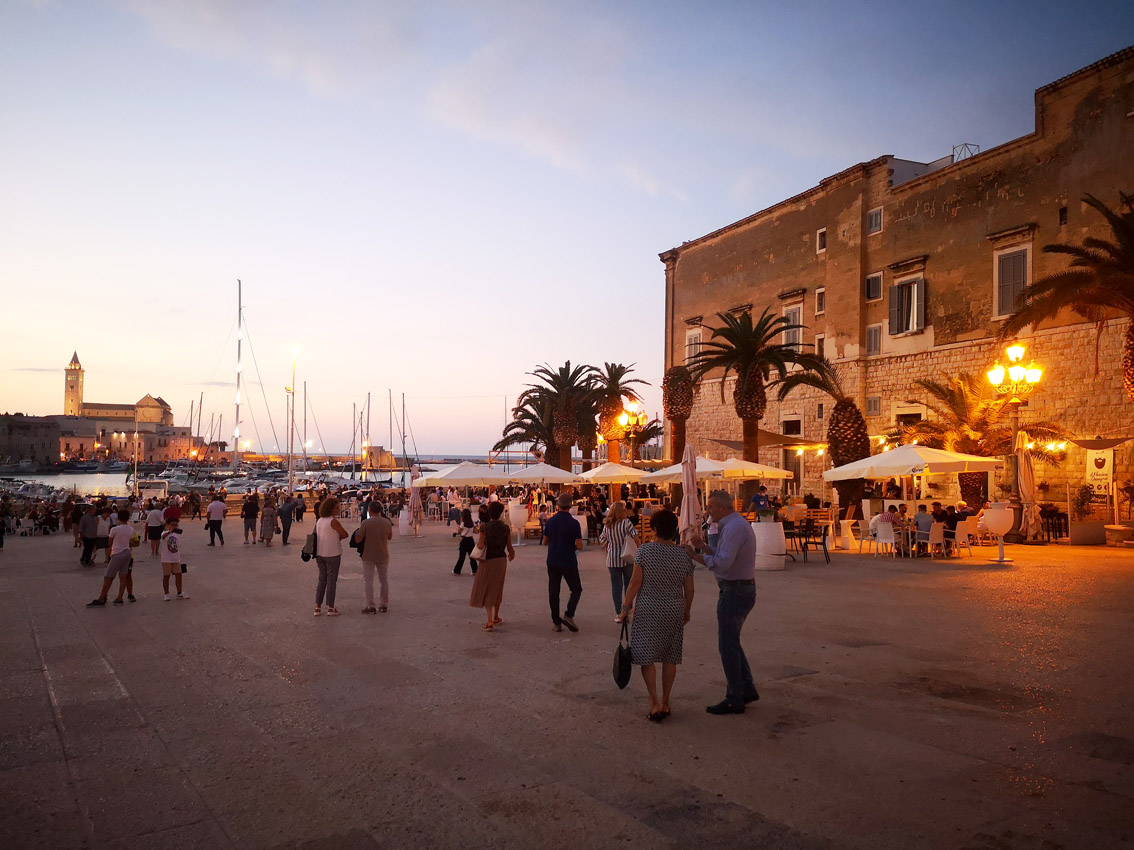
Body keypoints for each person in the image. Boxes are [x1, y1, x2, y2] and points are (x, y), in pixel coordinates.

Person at [617, 509, 695, 721]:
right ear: (674, 530)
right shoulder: (683, 555)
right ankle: (666, 702)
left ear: (653, 529)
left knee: (646, 656)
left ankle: (654, 703)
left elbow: (634, 584)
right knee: (670, 656)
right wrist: (687, 609)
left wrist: (625, 609)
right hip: (674, 608)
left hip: (648, 608)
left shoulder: (645, 552)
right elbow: (689, 589)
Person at [686, 490, 760, 715]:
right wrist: (706, 548)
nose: (708, 512)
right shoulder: (734, 525)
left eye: (710, 507)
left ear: (722, 507)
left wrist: (696, 555)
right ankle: (746, 688)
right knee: (732, 641)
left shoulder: (734, 527)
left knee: (727, 645)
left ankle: (734, 697)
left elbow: (724, 562)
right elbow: (725, 554)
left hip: (735, 590)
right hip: (739, 588)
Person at [469, 501, 514, 631]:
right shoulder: (506, 528)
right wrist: (511, 554)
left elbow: (480, 545)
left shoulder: (485, 527)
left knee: (488, 588)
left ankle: (489, 621)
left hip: (488, 560)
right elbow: (510, 547)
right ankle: (496, 616)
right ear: (501, 513)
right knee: (498, 587)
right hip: (501, 560)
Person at [543, 493, 583, 633]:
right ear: (570, 505)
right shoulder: (574, 523)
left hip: (553, 559)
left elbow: (544, 541)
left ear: (558, 505)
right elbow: (579, 544)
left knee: (554, 591)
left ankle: (556, 623)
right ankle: (569, 615)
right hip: (568, 560)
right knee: (576, 589)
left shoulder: (551, 521)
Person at [86, 509, 138, 607]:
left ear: (118, 518)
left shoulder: (114, 529)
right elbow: (131, 540)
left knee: (108, 576)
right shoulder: (131, 529)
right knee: (123, 576)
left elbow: (109, 542)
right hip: (127, 552)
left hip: (117, 553)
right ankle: (119, 598)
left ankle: (101, 598)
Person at [599, 502, 638, 621]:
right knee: (628, 585)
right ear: (620, 512)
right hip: (627, 558)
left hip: (612, 559)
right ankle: (627, 609)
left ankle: (618, 611)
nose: (626, 512)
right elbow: (636, 537)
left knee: (616, 586)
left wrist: (608, 546)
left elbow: (602, 539)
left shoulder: (608, 524)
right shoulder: (626, 523)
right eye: (625, 510)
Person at [354, 503, 393, 614]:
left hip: (368, 554)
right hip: (383, 554)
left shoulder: (366, 523)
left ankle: (371, 605)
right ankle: (384, 604)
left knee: (369, 581)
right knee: (383, 580)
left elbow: (358, 539)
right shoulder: (387, 522)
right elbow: (389, 537)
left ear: (370, 510)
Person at [314, 497, 348, 616]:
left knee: (322, 579)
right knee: (331, 580)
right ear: (331, 509)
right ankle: (330, 607)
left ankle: (318, 606)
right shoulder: (333, 521)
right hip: (332, 553)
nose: (339, 509)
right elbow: (345, 534)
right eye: (337, 507)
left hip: (320, 553)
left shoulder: (319, 520)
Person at [160, 517, 188, 601]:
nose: (175, 526)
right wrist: (169, 531)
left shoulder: (176, 534)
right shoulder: (164, 533)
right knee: (166, 576)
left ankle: (179, 592)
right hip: (166, 559)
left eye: (176, 525)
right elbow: (163, 537)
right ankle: (166, 593)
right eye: (172, 525)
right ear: (167, 525)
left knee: (179, 575)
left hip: (176, 557)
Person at [453, 509, 478, 575]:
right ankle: (475, 570)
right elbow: (475, 531)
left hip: (464, 540)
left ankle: (457, 570)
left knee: (462, 556)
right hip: (471, 540)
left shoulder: (463, 523)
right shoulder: (472, 522)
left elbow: (459, 531)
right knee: (472, 556)